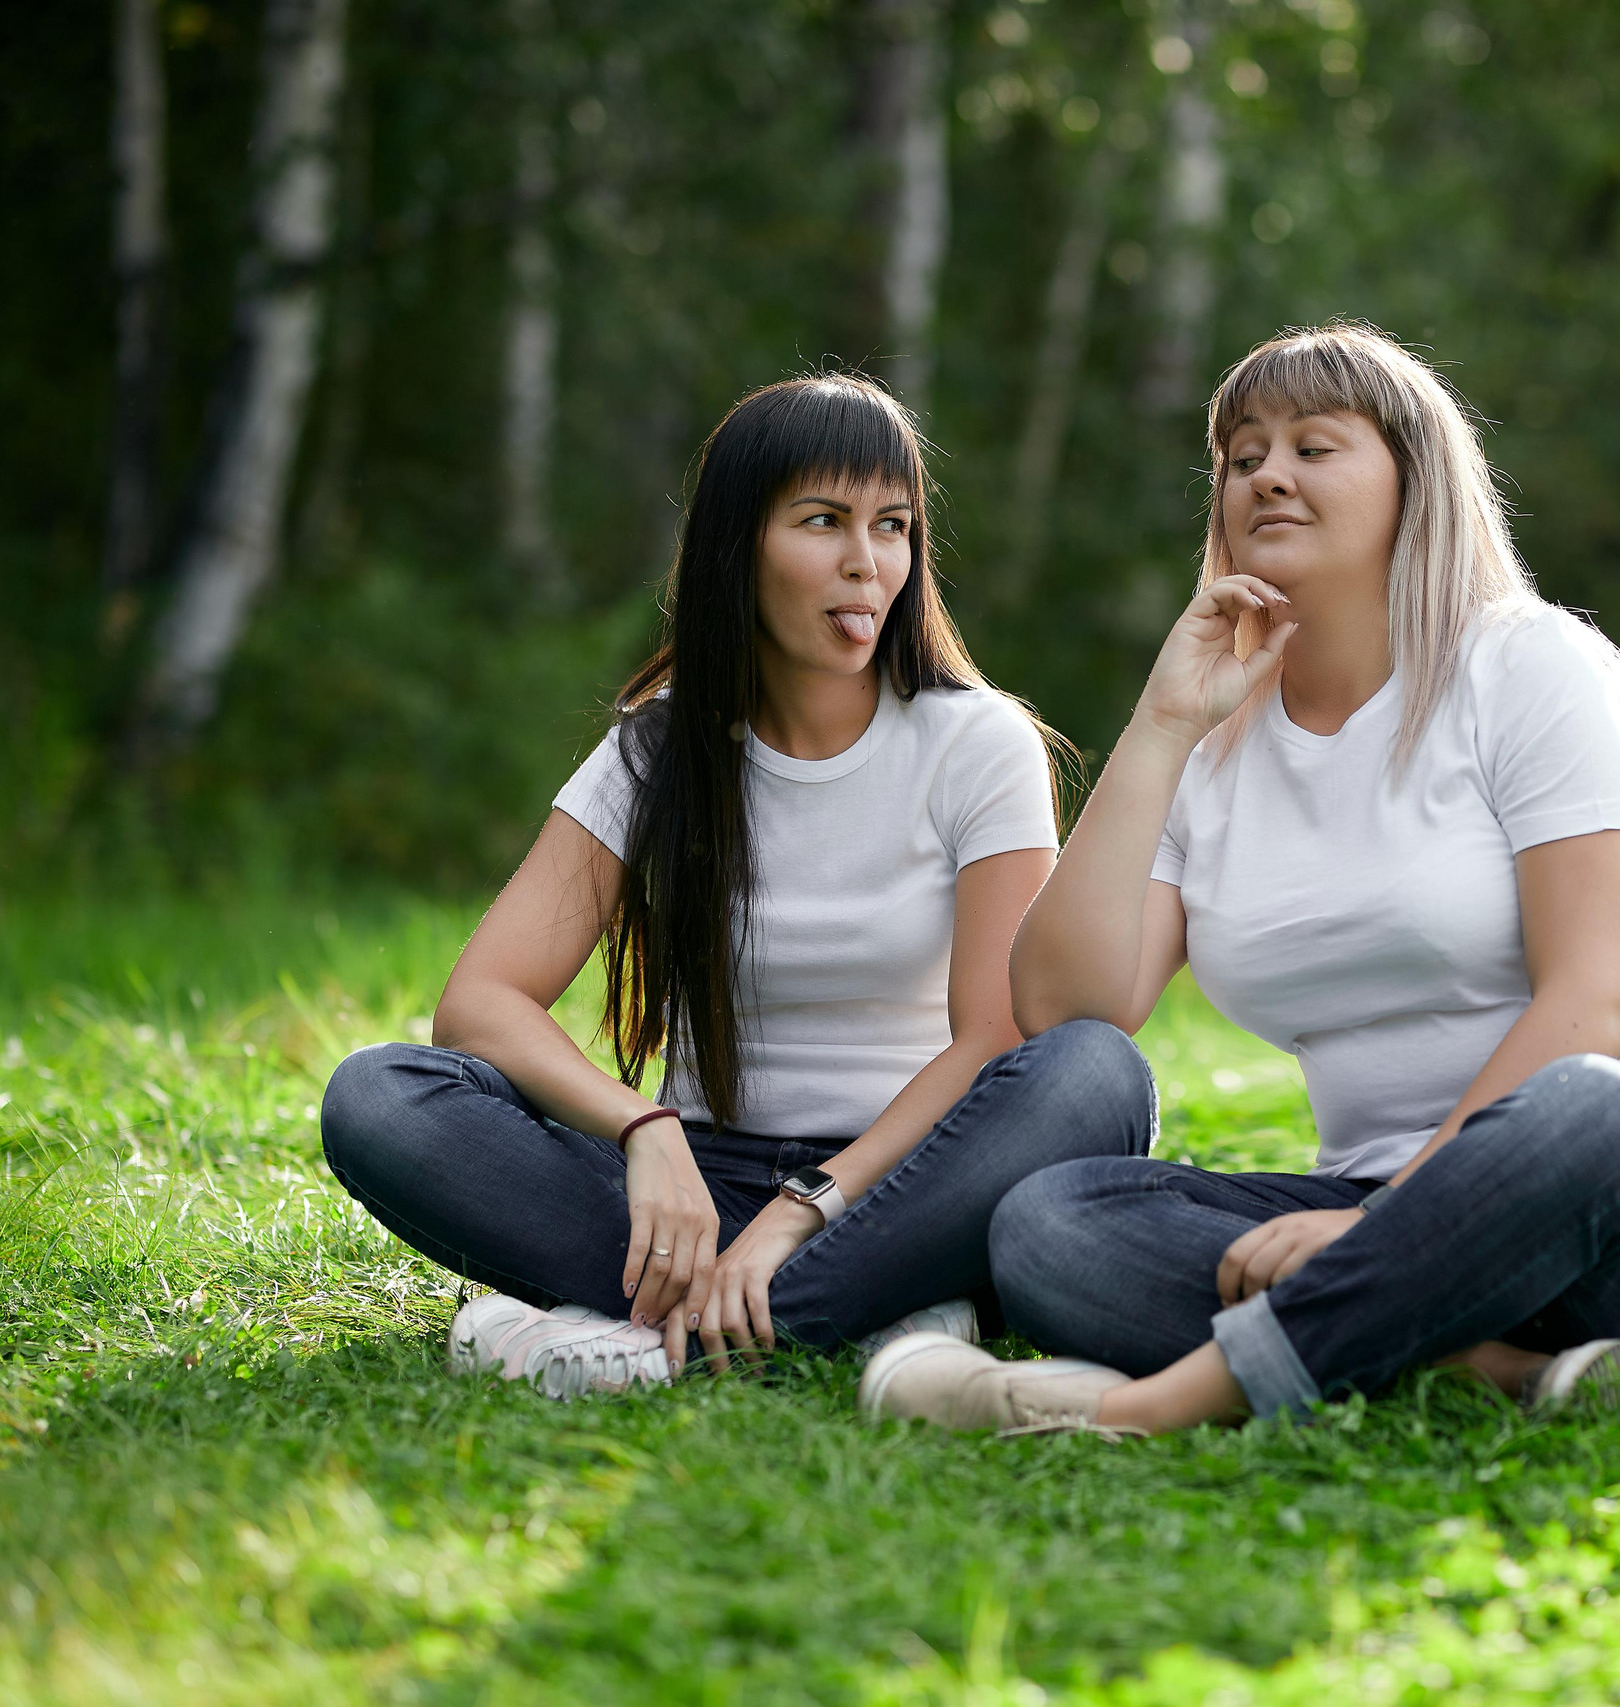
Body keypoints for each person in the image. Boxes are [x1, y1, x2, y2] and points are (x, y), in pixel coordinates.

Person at [859, 324, 1620, 1436]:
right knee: (1053, 1221)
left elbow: (1591, 1003)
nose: (1268, 476)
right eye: (1242, 456)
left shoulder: (1525, 665)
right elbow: (1067, 1010)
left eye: (1313, 445)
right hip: (1376, 1208)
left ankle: (1153, 1408)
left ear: (1413, 480)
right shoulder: (1215, 748)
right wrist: (1161, 726)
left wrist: (1391, 1215)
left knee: (1583, 1103)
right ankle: (1497, 1373)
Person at [319, 375, 1150, 1396]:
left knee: (1092, 1074)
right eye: (822, 521)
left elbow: (993, 1037)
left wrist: (806, 1207)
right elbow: (481, 1001)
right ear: (737, 545)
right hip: (695, 1186)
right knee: (378, 1096)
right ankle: (873, 1305)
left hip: (903, 1177)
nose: (865, 562)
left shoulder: (976, 743)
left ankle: (683, 1329)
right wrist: (643, 1131)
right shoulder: (659, 746)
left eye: (891, 526)